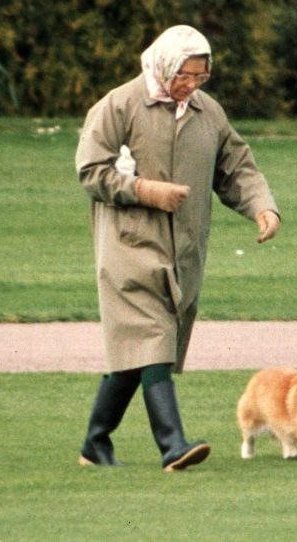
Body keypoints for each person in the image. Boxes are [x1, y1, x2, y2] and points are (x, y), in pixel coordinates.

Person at [75, 25, 280, 471]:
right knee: (154, 339)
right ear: (165, 65)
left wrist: (263, 208)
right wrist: (147, 191)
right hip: (129, 246)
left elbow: (238, 168)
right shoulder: (119, 105)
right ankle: (173, 445)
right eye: (185, 75)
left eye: (200, 77)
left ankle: (95, 443)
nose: (191, 85)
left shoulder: (208, 113)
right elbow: (91, 171)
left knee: (137, 353)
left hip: (184, 250)